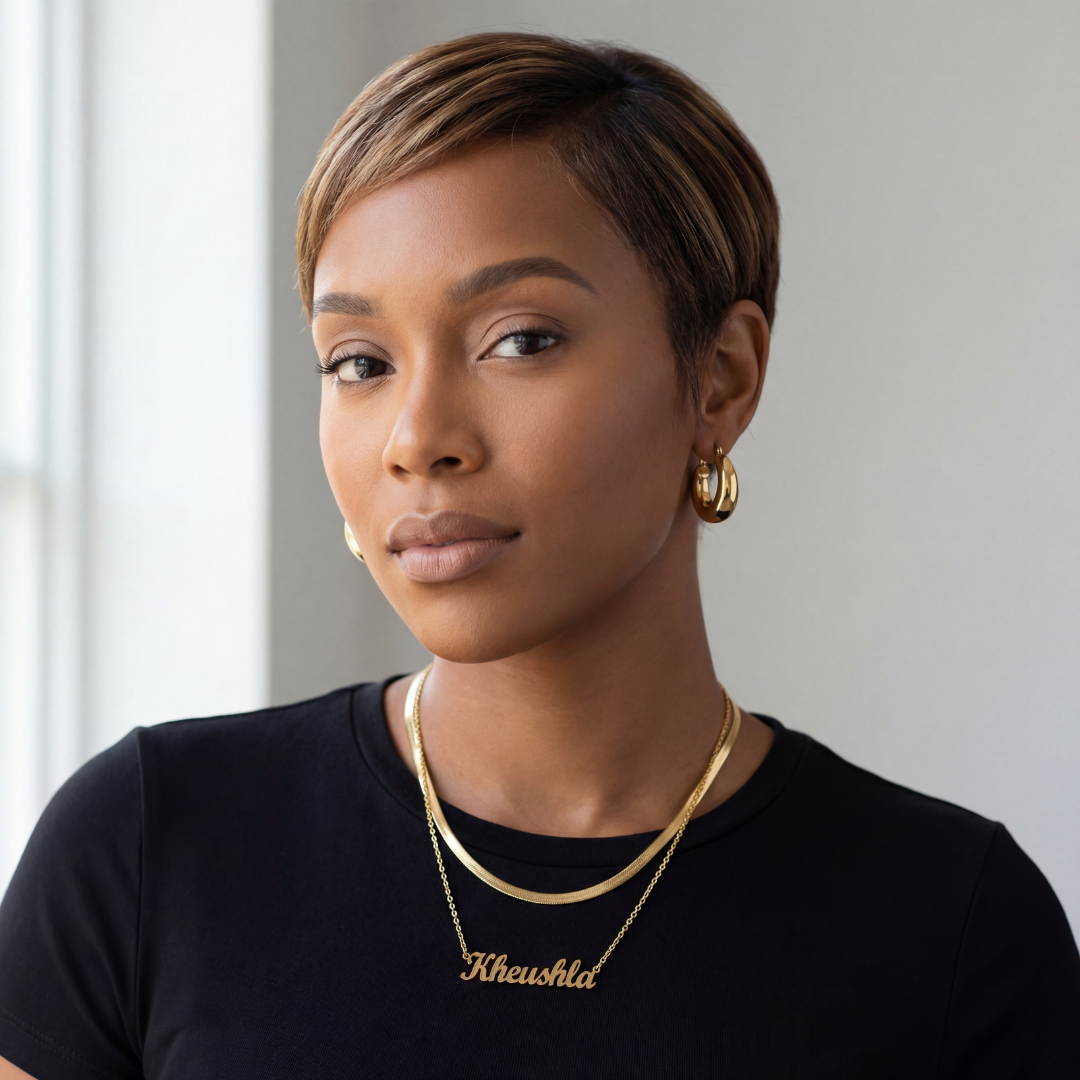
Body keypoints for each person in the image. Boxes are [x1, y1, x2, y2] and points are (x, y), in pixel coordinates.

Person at [1, 32, 1077, 1080]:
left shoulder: (951, 925)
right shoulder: (151, 847)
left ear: (721, 379)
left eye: (520, 339)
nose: (418, 438)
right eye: (359, 361)